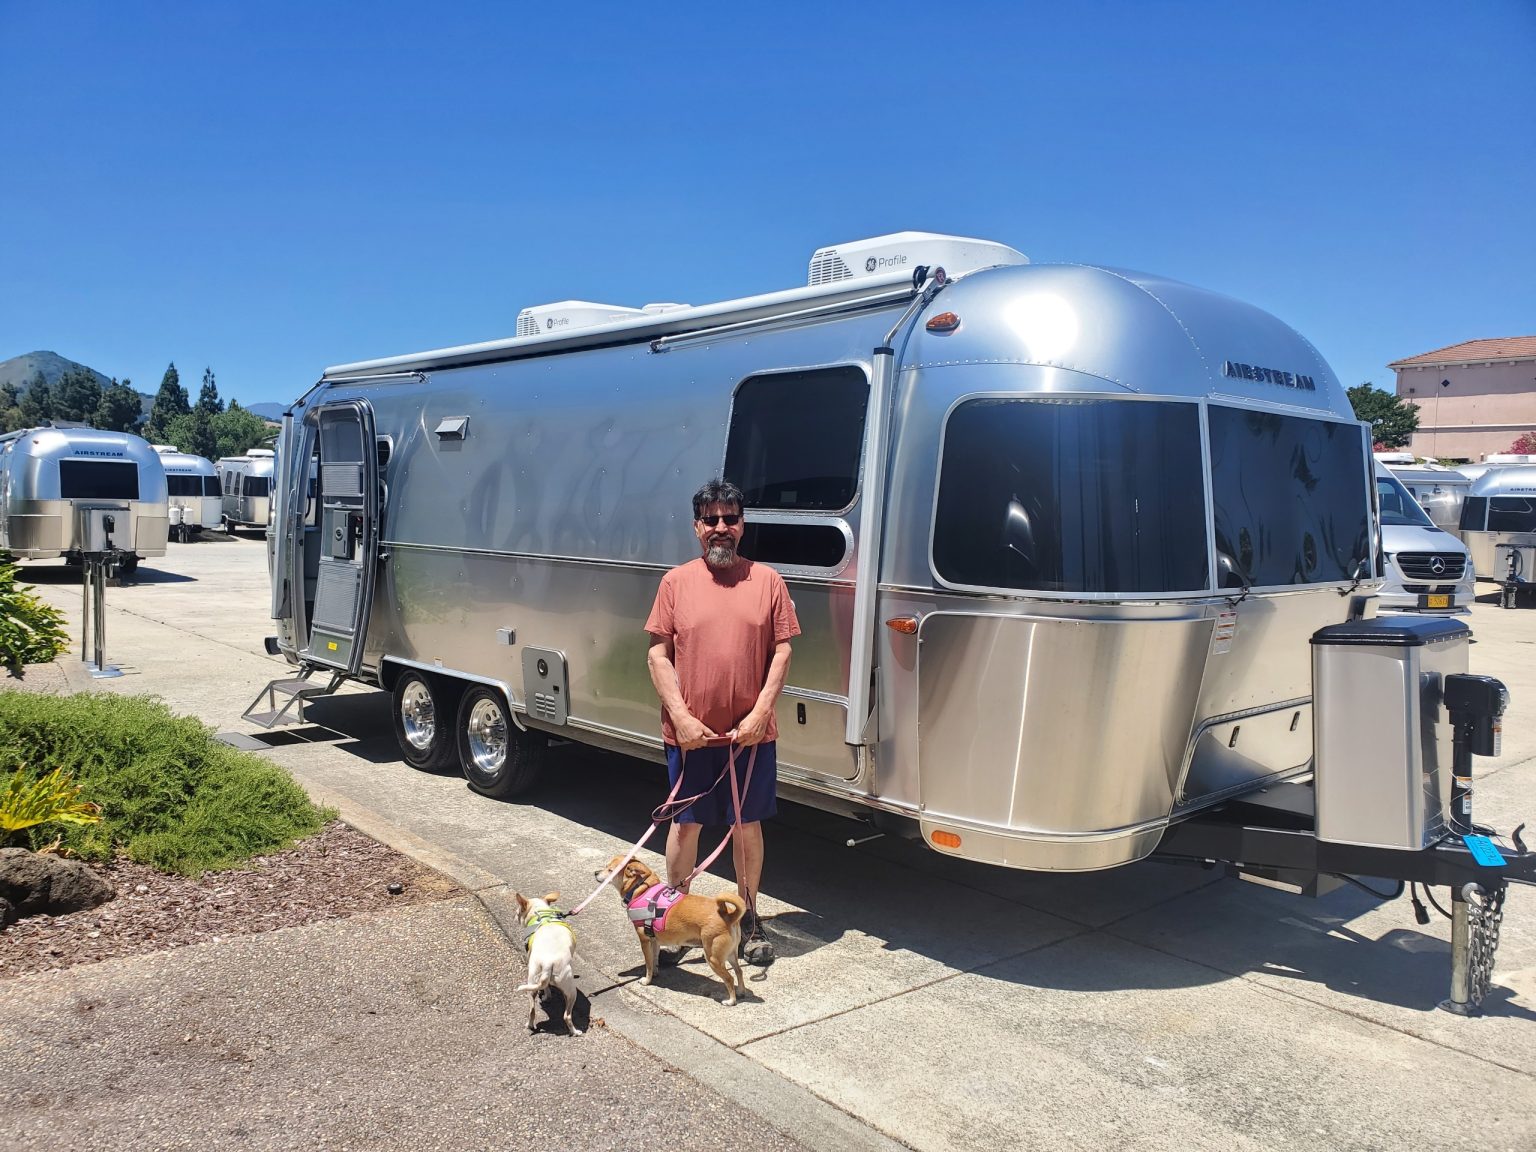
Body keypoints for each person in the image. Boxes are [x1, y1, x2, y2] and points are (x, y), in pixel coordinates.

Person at [644, 478, 799, 966]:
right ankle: (673, 921)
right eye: (710, 519)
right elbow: (657, 655)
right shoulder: (675, 583)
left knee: (745, 826)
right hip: (691, 739)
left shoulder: (768, 582)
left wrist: (760, 714)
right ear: (697, 527)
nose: (720, 527)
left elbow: (782, 652)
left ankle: (747, 920)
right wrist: (682, 718)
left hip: (749, 737)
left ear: (742, 525)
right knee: (685, 826)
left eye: (730, 518)